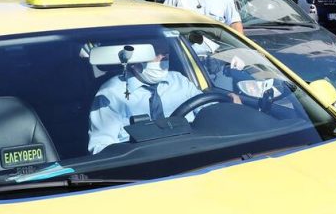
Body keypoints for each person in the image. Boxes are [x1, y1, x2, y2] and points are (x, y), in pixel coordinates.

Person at [88, 40, 231, 154]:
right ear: (133, 61)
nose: (163, 57)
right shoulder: (111, 94)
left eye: (165, 53)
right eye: (155, 53)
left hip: (194, 153)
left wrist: (228, 107)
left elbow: (210, 114)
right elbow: (101, 149)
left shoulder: (179, 81)